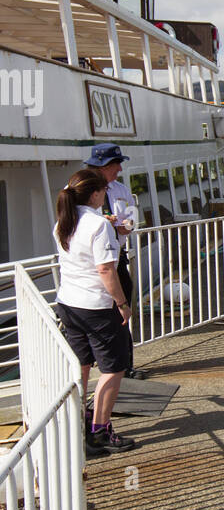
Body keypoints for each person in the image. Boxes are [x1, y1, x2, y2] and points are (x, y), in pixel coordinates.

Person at [53, 169, 137, 457]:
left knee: (81, 365)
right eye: (103, 191)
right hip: (96, 307)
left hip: (69, 304)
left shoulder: (63, 222)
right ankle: (100, 431)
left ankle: (78, 425)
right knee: (113, 368)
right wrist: (122, 304)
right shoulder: (98, 225)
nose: (105, 196)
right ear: (94, 194)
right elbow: (105, 270)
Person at [84, 143, 142, 379]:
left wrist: (124, 225)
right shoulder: (77, 189)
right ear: (103, 166)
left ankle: (124, 365)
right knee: (95, 313)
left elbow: (132, 220)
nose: (119, 169)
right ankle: (95, 363)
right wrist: (102, 223)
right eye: (116, 164)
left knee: (122, 311)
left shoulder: (121, 190)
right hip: (90, 263)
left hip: (116, 258)